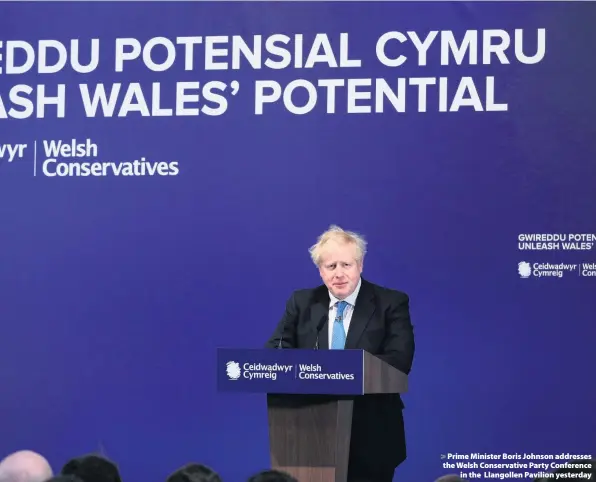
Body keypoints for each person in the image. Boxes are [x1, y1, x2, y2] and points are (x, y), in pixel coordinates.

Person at [265, 225, 415, 482]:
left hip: (372, 434)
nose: (339, 274)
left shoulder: (390, 302)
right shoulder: (302, 302)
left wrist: (341, 370)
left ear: (360, 265)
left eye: (346, 264)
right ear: (320, 271)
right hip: (307, 433)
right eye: (331, 266)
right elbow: (275, 351)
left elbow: (399, 360)